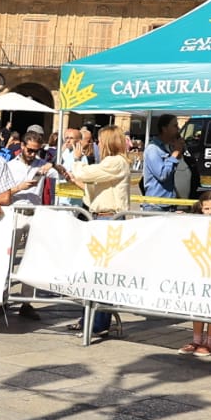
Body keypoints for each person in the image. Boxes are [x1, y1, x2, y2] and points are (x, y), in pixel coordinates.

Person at [66, 126, 134, 339]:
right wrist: (77, 179)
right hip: (101, 217)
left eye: (100, 140)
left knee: (102, 275)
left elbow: (87, 173)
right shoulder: (109, 163)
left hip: (109, 219)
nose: (96, 144)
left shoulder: (116, 162)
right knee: (96, 274)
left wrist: (77, 160)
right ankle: (93, 320)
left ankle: (98, 323)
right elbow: (92, 191)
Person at [182, 192, 211, 355]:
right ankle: (196, 340)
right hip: (201, 266)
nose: (210, 212)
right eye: (206, 208)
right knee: (197, 304)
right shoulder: (198, 221)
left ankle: (209, 341)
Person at [4, 124, 58, 206]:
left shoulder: (42, 165)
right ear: (22, 145)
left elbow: (61, 176)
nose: (33, 154)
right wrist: (19, 188)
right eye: (30, 150)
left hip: (35, 212)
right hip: (14, 211)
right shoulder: (9, 166)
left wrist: (53, 165)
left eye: (36, 151)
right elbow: (1, 194)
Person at [141, 115, 183, 210]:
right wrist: (175, 153)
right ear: (164, 129)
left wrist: (179, 152)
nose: (178, 129)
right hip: (156, 205)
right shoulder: (153, 149)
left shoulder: (168, 147)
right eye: (175, 126)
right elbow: (162, 175)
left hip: (169, 202)